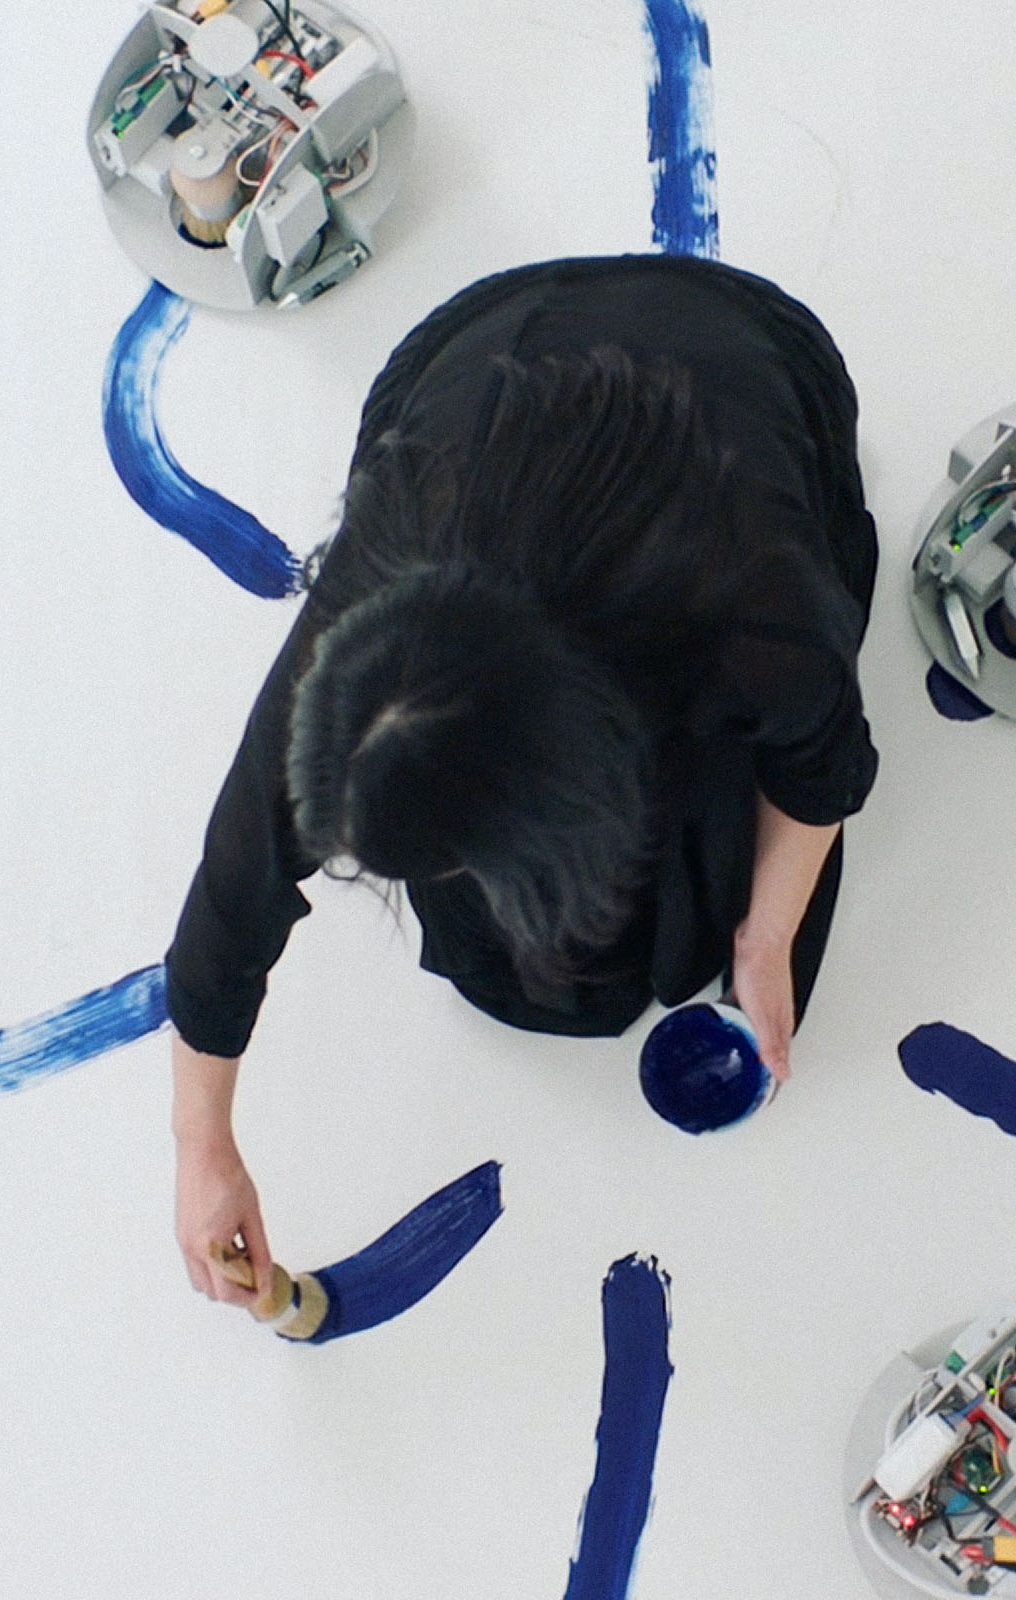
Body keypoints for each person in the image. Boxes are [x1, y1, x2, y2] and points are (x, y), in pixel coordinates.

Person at [164, 255, 880, 1307]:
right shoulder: (376, 610)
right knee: (526, 976)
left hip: (748, 365)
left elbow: (820, 767)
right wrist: (202, 1144)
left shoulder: (744, 597)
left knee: (693, 915)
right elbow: (236, 882)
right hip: (484, 341)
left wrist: (762, 942)